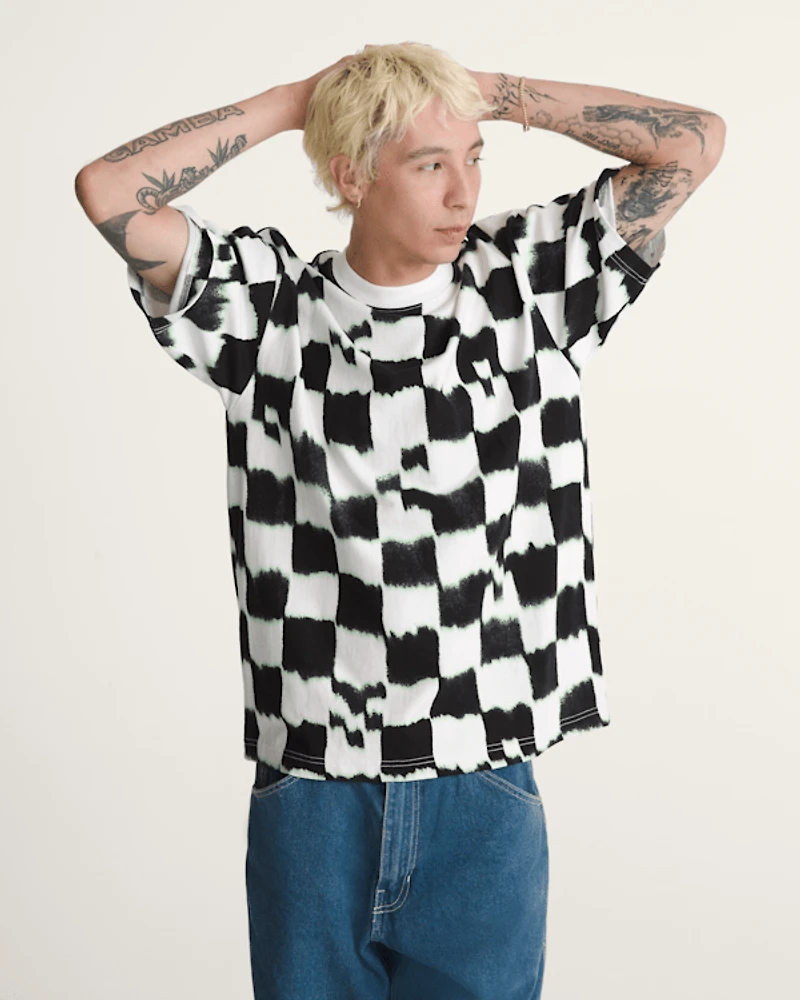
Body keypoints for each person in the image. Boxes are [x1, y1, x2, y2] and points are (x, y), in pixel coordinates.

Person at [75, 41, 725, 1000]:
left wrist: (488, 95)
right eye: (429, 164)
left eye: (474, 159)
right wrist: (296, 100)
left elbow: (694, 143)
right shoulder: (268, 312)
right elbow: (109, 191)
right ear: (352, 176)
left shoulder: (528, 285)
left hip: (482, 777)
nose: (464, 192)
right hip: (314, 786)